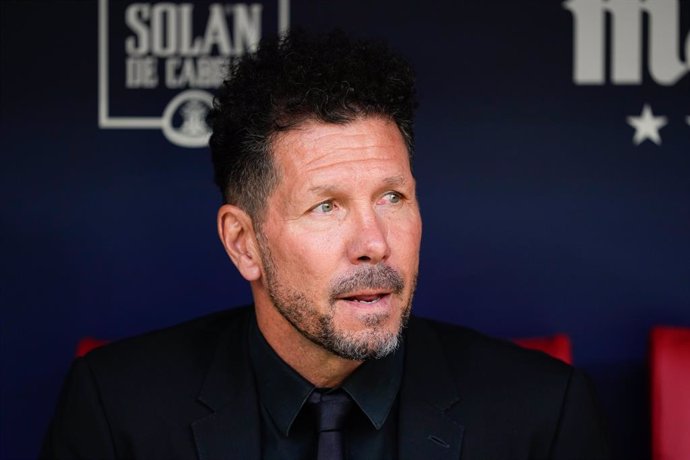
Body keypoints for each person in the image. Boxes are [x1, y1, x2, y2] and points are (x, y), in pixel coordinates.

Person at [40, 29, 610, 459]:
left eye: (392, 197)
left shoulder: (544, 414)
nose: (374, 244)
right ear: (244, 243)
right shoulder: (117, 410)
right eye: (326, 206)